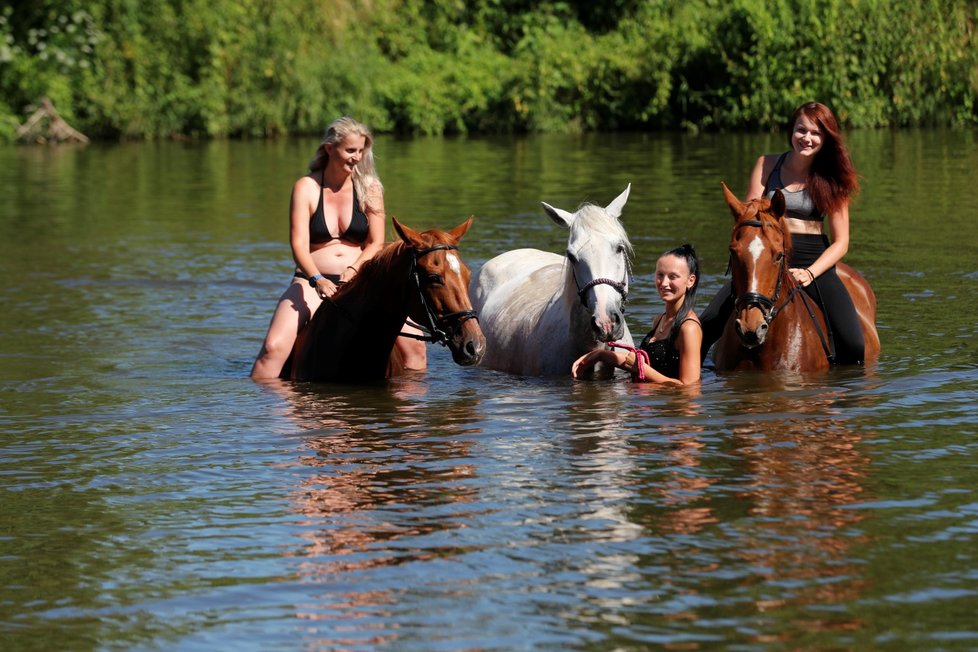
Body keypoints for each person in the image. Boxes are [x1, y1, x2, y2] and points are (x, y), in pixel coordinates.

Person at [251, 117, 426, 380]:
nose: (357, 157)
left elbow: (376, 243)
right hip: (311, 280)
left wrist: (355, 268)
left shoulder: (370, 188)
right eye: (350, 150)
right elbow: (298, 244)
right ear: (329, 149)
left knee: (416, 346)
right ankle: (273, 414)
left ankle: (408, 411)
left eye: (361, 151)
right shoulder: (306, 187)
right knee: (272, 348)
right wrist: (318, 279)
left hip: (362, 279)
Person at [699, 101, 865, 365]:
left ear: (826, 137)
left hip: (812, 260)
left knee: (855, 346)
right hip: (764, 258)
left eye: (816, 132)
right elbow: (748, 215)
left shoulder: (833, 178)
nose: (807, 138)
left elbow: (841, 242)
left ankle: (841, 399)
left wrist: (811, 272)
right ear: (791, 131)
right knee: (704, 327)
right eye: (802, 130)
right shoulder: (767, 164)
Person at [572, 244, 702, 385]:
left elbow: (689, 389)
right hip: (651, 403)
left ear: (691, 281)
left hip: (670, 406)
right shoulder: (660, 319)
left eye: (673, 277)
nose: (664, 283)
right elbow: (641, 363)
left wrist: (641, 369)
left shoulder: (689, 328)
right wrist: (602, 355)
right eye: (660, 275)